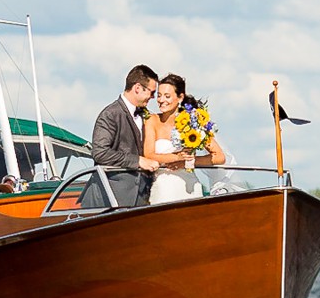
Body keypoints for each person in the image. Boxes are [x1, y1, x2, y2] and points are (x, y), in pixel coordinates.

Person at [86, 63, 165, 207]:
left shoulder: (147, 116)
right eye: (152, 92)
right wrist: (137, 161)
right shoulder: (110, 114)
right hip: (111, 199)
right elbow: (100, 153)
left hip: (142, 198)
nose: (153, 98)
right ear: (137, 88)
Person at [146, 74, 227, 206]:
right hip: (163, 188)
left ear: (180, 97)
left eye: (167, 96)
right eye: (159, 95)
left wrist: (188, 163)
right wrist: (176, 157)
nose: (161, 100)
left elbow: (219, 156)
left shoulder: (192, 121)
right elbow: (148, 155)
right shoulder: (152, 120)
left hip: (189, 188)